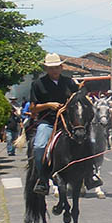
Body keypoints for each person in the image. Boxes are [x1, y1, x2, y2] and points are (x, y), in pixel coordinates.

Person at [29, 53, 102, 194]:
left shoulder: (69, 82)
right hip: (48, 122)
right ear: (46, 69)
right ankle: (43, 179)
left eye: (56, 67)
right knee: (39, 146)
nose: (54, 70)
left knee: (90, 141)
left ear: (61, 67)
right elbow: (33, 108)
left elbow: (79, 99)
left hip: (69, 123)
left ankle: (90, 174)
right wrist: (48, 105)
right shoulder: (37, 84)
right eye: (51, 68)